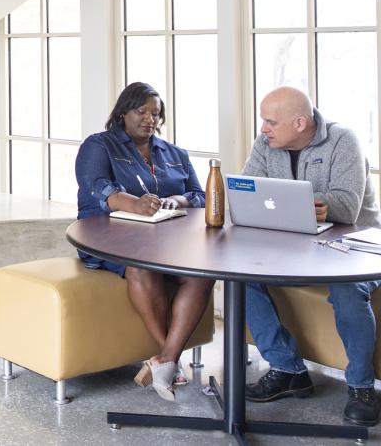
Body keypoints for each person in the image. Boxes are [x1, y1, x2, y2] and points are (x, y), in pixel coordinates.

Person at [243, 86, 381, 426]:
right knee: (239, 276)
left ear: (300, 123)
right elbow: (248, 187)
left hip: (355, 249)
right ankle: (287, 368)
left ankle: (362, 388)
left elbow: (347, 208)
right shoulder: (266, 144)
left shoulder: (343, 141)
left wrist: (318, 204)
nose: (263, 128)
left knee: (347, 290)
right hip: (296, 247)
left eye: (271, 121)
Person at [75, 82, 214, 401]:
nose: (150, 118)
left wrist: (178, 200)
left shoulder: (175, 153)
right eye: (142, 111)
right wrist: (134, 203)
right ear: (124, 112)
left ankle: (165, 359)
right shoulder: (100, 145)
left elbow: (199, 195)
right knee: (141, 270)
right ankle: (170, 357)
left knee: (201, 273)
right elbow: (96, 186)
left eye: (156, 113)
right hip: (109, 240)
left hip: (166, 241)